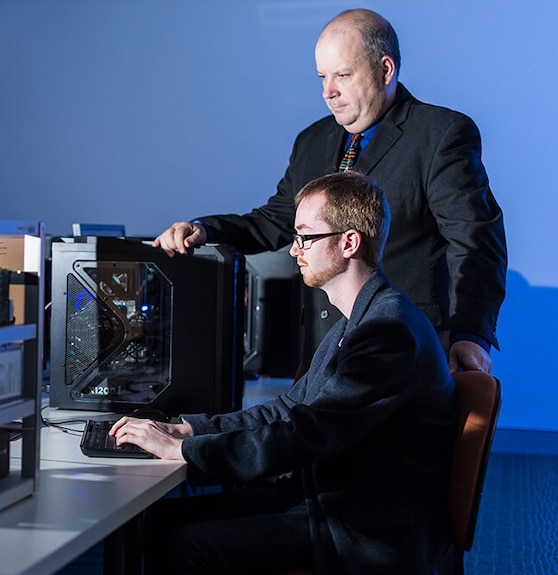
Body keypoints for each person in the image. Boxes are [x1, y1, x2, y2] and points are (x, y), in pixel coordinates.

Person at [112, 171, 457, 574]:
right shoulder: (356, 320)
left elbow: (306, 433)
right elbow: (287, 410)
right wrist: (188, 430)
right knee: (161, 520)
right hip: (326, 499)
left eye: (305, 237)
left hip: (361, 528)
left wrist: (184, 452)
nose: (295, 251)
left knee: (185, 544)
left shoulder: (388, 331)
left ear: (349, 242)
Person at [153, 8, 506, 375]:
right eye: (322, 77)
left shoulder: (441, 134)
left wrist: (471, 334)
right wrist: (207, 231)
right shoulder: (311, 141)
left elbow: (476, 243)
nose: (328, 92)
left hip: (404, 349)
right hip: (321, 356)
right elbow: (275, 221)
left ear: (385, 70)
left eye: (343, 75)